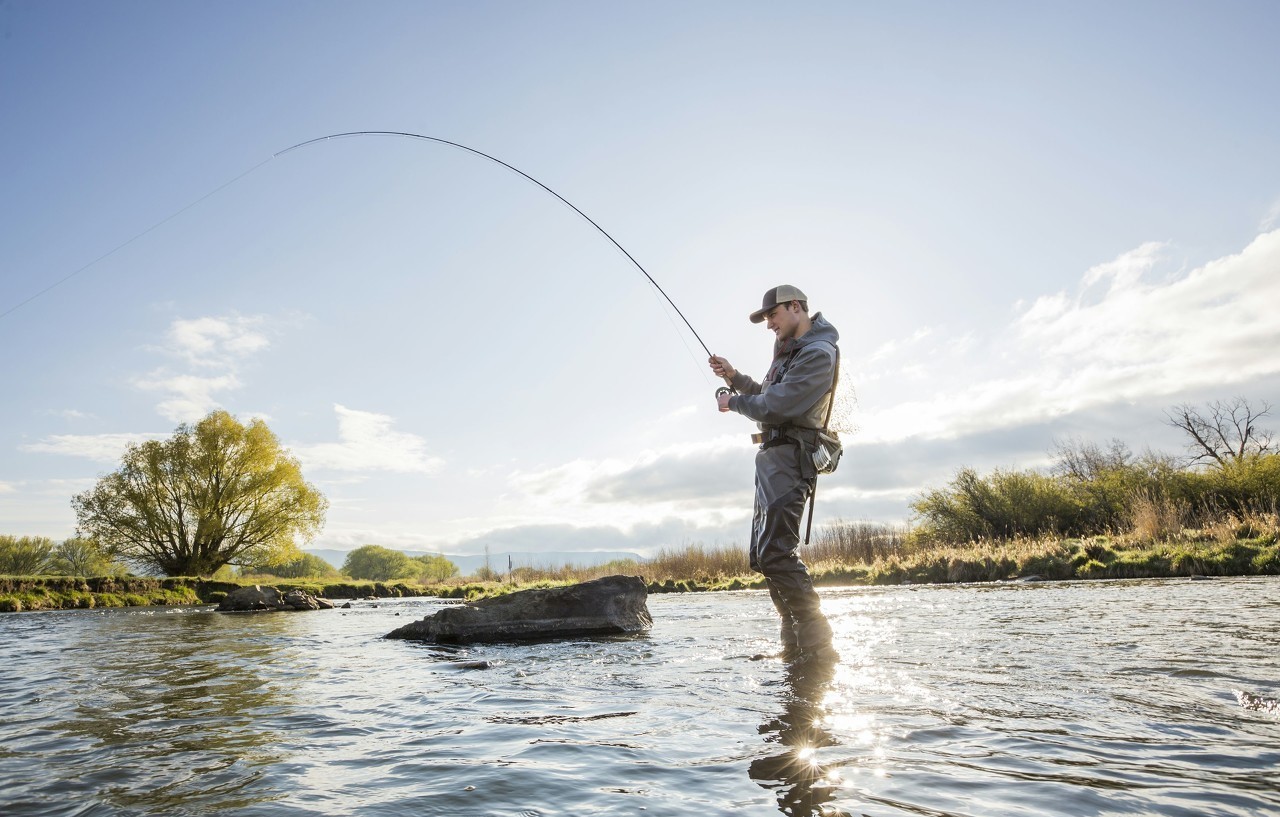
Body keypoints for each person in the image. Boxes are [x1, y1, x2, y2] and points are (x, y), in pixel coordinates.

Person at [709, 285, 839, 666]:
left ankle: (819, 647)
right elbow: (766, 394)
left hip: (789, 460)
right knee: (765, 556)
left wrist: (732, 402)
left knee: (777, 554)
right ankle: (795, 648)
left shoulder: (818, 353)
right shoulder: (790, 353)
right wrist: (734, 377)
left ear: (795, 307)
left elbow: (778, 405)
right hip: (772, 463)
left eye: (773, 315)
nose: (769, 324)